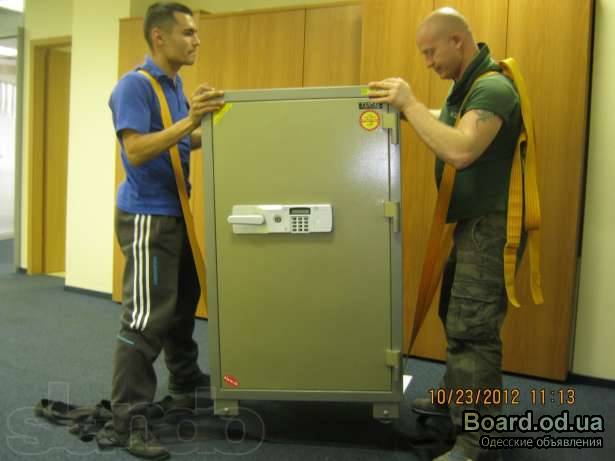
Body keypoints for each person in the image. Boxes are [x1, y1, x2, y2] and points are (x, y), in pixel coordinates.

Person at [369, 7, 521, 461]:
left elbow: (462, 148)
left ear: (458, 41)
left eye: (431, 52)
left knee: (472, 331)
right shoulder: (468, 88)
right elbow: (453, 122)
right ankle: (456, 400)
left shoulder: (492, 87)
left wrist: (409, 104)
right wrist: (408, 113)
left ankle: (476, 441)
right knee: (455, 318)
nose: (428, 62)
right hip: (473, 226)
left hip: (488, 228)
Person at [106, 2, 224, 459]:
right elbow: (136, 150)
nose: (197, 40)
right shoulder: (134, 86)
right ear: (160, 37)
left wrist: (213, 125)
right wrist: (189, 121)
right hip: (148, 218)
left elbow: (177, 141)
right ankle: (128, 420)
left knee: (181, 306)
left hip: (176, 213)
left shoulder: (173, 85)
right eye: (188, 33)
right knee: (145, 320)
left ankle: (185, 384)